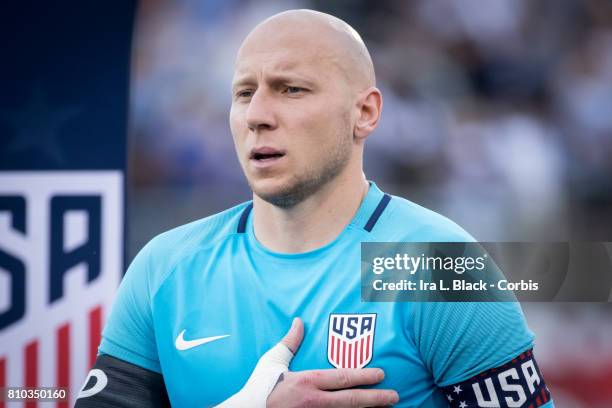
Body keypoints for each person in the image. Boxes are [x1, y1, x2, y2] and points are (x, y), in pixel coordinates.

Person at [75, 9, 553, 408]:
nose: (258, 115)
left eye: (291, 89)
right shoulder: (165, 267)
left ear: (364, 113)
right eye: (244, 93)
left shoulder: (438, 265)